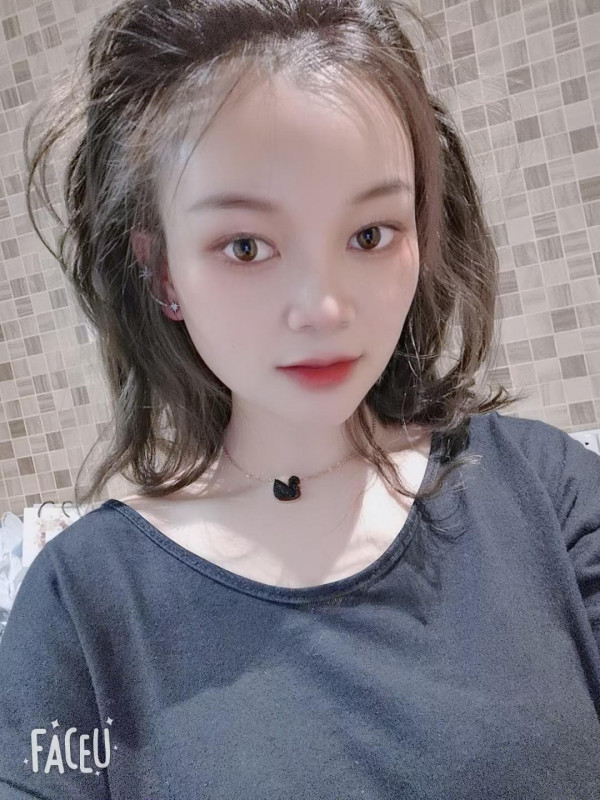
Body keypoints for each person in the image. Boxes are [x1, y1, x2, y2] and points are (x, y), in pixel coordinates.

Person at [1, 0, 599, 798]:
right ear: (163, 271)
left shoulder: (545, 495)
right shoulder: (82, 608)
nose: (323, 308)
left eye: (370, 235)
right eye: (246, 246)